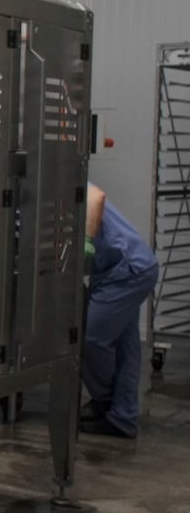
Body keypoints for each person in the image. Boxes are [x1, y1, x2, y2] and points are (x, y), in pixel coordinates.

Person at [80, 183, 159, 439]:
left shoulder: (60, 173)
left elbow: (97, 196)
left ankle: (106, 399)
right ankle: (123, 417)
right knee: (126, 347)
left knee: (90, 338)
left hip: (126, 270)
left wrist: (87, 240)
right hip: (126, 267)